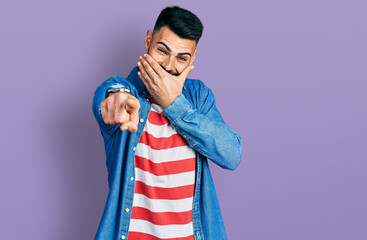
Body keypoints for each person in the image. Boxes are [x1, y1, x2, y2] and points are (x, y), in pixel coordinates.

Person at [92, 6, 243, 240]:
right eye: (163, 50)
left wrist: (173, 103)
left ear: (192, 59)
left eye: (182, 58)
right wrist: (117, 101)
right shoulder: (125, 91)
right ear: (148, 40)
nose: (169, 66)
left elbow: (231, 154)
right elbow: (112, 96)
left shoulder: (198, 97)